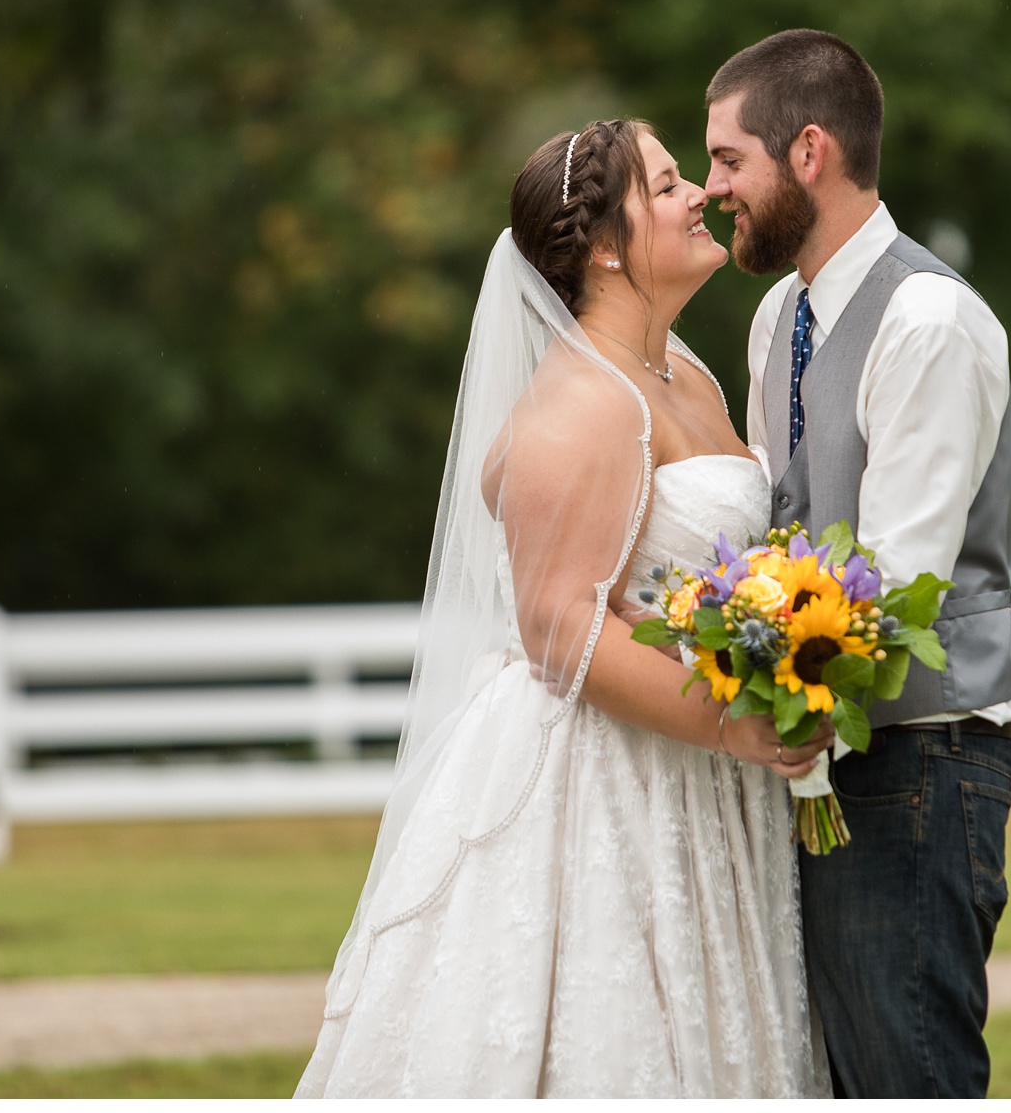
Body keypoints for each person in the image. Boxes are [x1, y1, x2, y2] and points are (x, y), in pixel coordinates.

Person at [296, 119, 831, 1097]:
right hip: (604, 782)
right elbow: (556, 625)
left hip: (696, 781)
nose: (698, 196)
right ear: (605, 245)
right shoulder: (582, 399)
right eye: (667, 184)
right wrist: (736, 725)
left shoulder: (693, 376)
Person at [705, 29, 1011, 1098]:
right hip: (817, 759)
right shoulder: (775, 319)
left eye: (726, 160)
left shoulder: (928, 319)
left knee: (908, 1078)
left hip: (917, 768)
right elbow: (773, 525)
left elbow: (893, 585)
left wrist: (785, 713)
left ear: (806, 151)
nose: (714, 191)